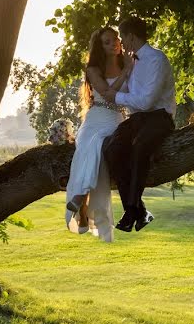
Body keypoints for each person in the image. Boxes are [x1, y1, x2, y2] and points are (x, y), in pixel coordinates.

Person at [103, 17, 176, 233]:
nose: (122, 43)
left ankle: (131, 209)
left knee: (140, 147)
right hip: (138, 118)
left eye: (123, 38)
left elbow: (146, 101)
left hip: (159, 117)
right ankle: (139, 210)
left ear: (131, 37)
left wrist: (115, 96)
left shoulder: (157, 60)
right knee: (111, 147)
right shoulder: (132, 62)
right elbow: (127, 93)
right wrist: (119, 76)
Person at [64, 27, 132, 242]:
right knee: (89, 142)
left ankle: (80, 199)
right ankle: (81, 203)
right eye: (107, 42)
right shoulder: (93, 69)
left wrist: (128, 69)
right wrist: (127, 72)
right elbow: (109, 95)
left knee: (99, 143)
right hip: (95, 118)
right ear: (100, 47)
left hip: (115, 121)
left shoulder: (127, 63)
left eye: (115, 39)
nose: (114, 44)